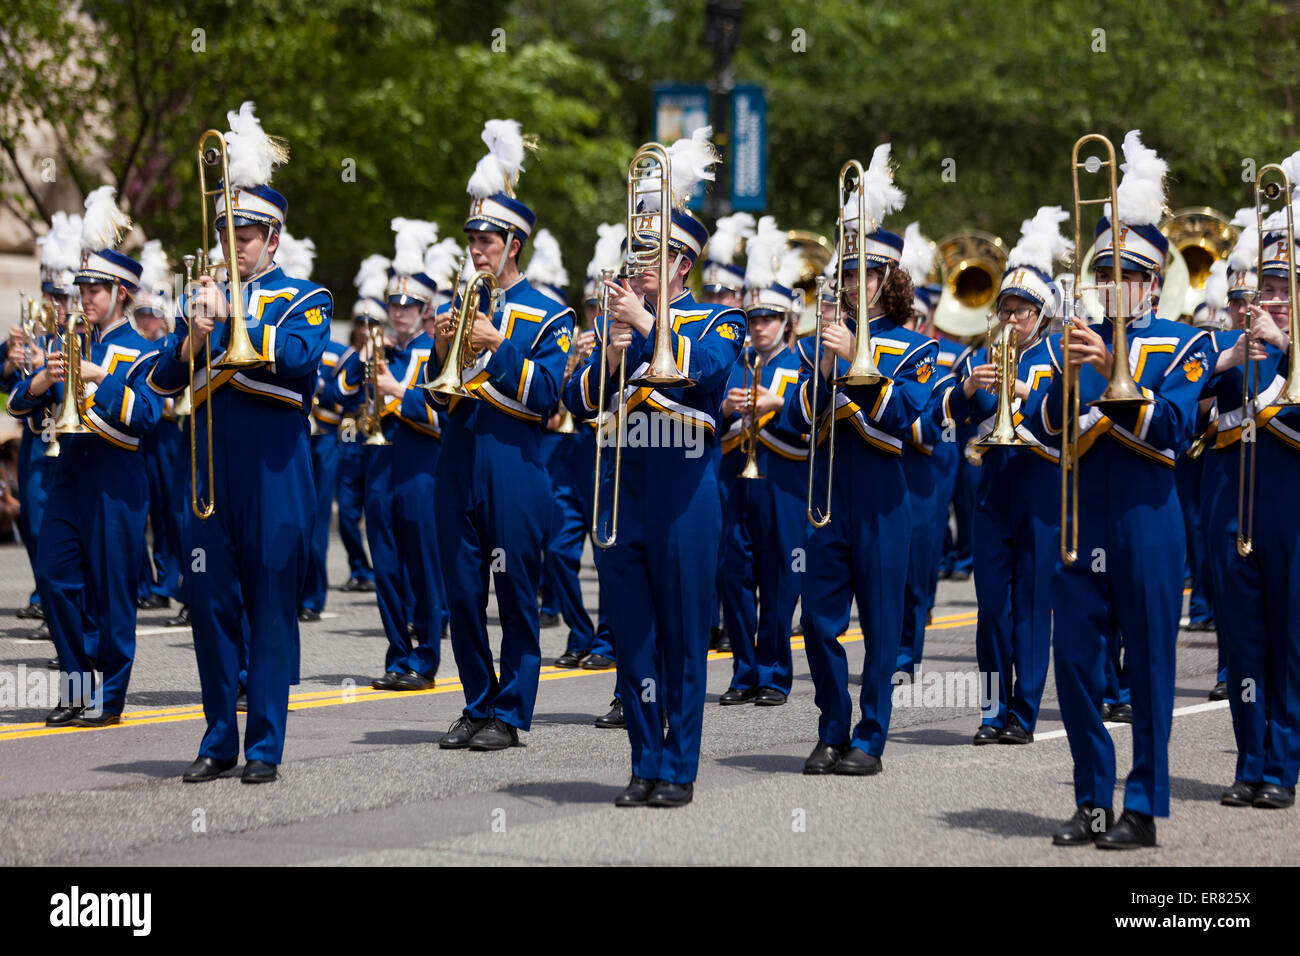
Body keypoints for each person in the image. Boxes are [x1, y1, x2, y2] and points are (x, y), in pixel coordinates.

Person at [1027, 131, 1212, 848]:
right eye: (1104, 269)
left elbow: (1172, 428)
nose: (1114, 284)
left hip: (1149, 517)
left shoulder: (1183, 342)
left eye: (1129, 273)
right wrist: (1077, 377)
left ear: (1152, 280)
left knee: (1152, 668)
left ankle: (1143, 807)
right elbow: (1043, 426)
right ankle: (1092, 802)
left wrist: (1109, 378)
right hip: (1079, 517)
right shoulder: (1064, 340)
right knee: (1074, 663)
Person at [149, 102, 332, 784]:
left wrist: (231, 321)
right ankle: (219, 736)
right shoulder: (201, 298)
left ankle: (265, 746)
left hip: (276, 472)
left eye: (248, 235)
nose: (234, 246)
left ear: (274, 238)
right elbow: (166, 377)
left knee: (270, 608)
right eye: (227, 232)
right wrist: (195, 332)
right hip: (209, 472)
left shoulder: (304, 296)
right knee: (211, 603)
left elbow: (295, 357)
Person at [563, 127, 743, 806]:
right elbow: (578, 402)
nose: (638, 263)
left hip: (685, 481)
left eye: (653, 253)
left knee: (682, 632)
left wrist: (644, 322)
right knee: (633, 638)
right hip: (622, 479)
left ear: (682, 262)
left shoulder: (712, 319)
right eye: (634, 251)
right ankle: (643, 760)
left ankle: (679, 764)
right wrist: (606, 353)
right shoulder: (620, 321)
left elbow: (714, 376)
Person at [782, 145, 938, 777]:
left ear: (887, 281)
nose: (854, 285)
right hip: (827, 496)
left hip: (882, 496)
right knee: (816, 622)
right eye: (848, 275)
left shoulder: (914, 347)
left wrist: (854, 364)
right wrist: (823, 367)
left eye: (867, 276)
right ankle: (830, 725)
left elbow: (909, 421)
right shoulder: (819, 339)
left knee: (880, 627)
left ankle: (870, 736)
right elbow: (798, 419)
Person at [426, 119, 574, 752]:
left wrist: (500, 345)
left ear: (513, 243)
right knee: (461, 591)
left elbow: (549, 398)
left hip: (515, 462)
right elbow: (438, 395)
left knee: (515, 590)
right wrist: (440, 352)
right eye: (472, 239)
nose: (476, 249)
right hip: (458, 455)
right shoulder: (460, 301)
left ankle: (511, 712)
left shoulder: (551, 311)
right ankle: (476, 699)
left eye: (486, 239)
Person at [9, 186, 163, 726]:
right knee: (52, 576)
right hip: (69, 475)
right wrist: (40, 381)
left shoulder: (147, 351)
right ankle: (77, 683)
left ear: (122, 292)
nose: (85, 297)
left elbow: (147, 417)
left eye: (96, 288)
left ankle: (109, 695)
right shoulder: (69, 341)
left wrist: (101, 380)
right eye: (83, 288)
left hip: (118, 478)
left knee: (112, 592)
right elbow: (18, 406)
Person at [932, 206, 1073, 745]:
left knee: (1033, 605)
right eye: (1006, 308)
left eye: (1022, 309)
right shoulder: (979, 356)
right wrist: (968, 389)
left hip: (1040, 485)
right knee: (991, 606)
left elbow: (1069, 420)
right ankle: (992, 709)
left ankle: (1023, 711)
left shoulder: (1061, 356)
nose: (1012, 317)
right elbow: (944, 415)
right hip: (992, 487)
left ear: (1041, 313)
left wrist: (1024, 394)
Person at [1205, 173, 1300, 810]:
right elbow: (1185, 414)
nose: (1268, 302)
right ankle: (1248, 761)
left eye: (1282, 292)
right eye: (1262, 291)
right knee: (1242, 643)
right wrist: (1226, 364)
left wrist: (1287, 348)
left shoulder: (1291, 353)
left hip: (1290, 516)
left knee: (1289, 641)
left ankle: (1283, 766)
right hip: (1228, 514)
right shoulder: (1226, 350)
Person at [333, 218, 446, 690]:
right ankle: (397, 653)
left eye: (409, 306)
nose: (399, 313)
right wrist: (359, 364)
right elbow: (338, 393)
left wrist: (397, 391)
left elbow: (445, 417)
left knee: (423, 564)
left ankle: (426, 656)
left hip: (422, 470)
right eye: (394, 304)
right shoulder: (374, 349)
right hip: (379, 467)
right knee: (386, 567)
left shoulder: (435, 352)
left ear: (424, 309)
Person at [717, 216, 806, 708]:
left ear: (788, 322)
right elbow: (708, 420)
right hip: (736, 481)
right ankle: (743, 669)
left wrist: (776, 408)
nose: (758, 327)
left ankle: (773, 672)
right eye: (753, 320)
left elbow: (815, 426)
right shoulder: (735, 362)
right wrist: (727, 409)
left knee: (778, 577)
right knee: (732, 574)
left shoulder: (804, 363)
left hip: (784, 480)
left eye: (768, 319)